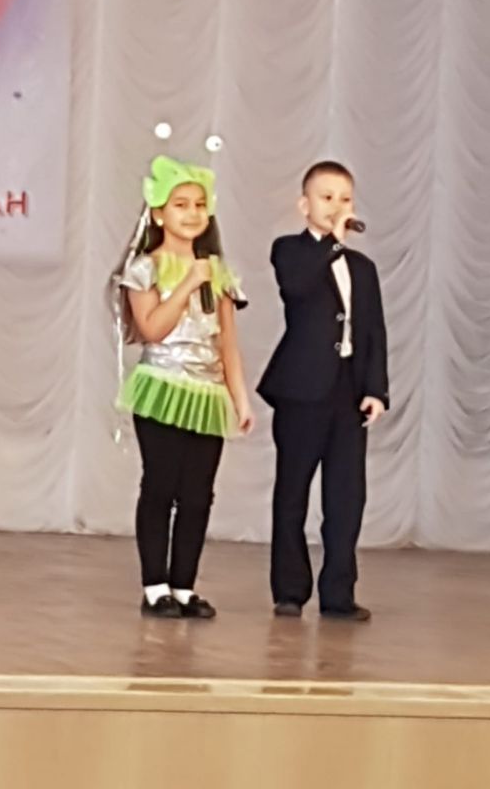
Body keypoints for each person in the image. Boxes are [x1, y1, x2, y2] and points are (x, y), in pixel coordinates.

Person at [113, 155, 254, 619]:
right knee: (160, 487)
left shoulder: (219, 273)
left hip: (206, 395)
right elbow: (152, 328)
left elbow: (227, 343)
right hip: (162, 389)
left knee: (198, 495)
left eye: (199, 204)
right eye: (180, 204)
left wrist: (240, 398)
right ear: (158, 214)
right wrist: (189, 281)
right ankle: (155, 586)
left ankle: (184, 586)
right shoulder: (144, 268)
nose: (192, 213)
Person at [257, 160, 389, 622]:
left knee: (346, 497)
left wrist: (376, 389)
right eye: (326, 197)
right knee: (292, 491)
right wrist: (332, 241)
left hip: (347, 392)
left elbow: (373, 332)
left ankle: (338, 593)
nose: (337, 206)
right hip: (302, 390)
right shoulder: (289, 250)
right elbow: (296, 287)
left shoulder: (363, 268)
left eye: (345, 198)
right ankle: (290, 590)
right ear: (304, 204)